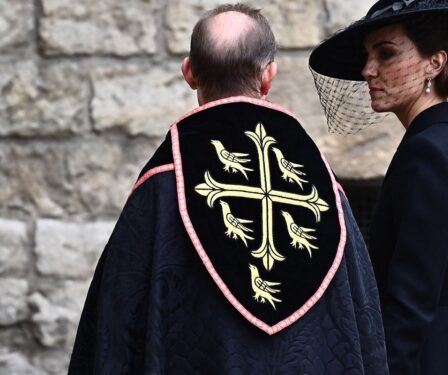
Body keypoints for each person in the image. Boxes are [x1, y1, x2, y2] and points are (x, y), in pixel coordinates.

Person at [69, 4, 387, 374]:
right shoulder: (326, 190)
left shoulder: (162, 186)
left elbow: (116, 328)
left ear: (189, 72)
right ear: (269, 76)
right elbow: (361, 325)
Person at [309, 1, 448, 373]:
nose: (368, 70)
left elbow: (410, 300)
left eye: (386, 54)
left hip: (429, 359)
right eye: (368, 56)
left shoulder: (426, 153)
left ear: (434, 63)